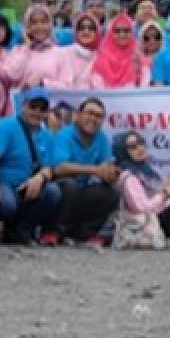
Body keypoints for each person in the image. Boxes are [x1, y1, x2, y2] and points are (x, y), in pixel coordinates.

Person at [0, 87, 61, 244]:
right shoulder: (6, 125)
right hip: (5, 184)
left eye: (42, 108)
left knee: (53, 192)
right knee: (7, 204)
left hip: (28, 187)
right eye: (33, 106)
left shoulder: (46, 135)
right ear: (23, 105)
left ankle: (21, 229)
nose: (37, 112)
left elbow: (48, 167)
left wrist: (40, 177)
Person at [52, 97, 120, 246]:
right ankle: (55, 232)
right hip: (60, 187)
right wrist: (95, 170)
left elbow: (106, 165)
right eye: (90, 113)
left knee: (111, 192)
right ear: (78, 115)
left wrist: (111, 174)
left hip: (82, 189)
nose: (93, 119)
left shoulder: (101, 138)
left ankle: (82, 234)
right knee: (70, 185)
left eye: (98, 116)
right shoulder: (65, 135)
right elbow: (59, 168)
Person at [10, 3, 75, 89]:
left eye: (43, 22)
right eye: (34, 23)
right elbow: (12, 76)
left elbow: (68, 86)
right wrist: (27, 47)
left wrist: (43, 82)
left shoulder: (61, 53)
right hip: (22, 101)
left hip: (50, 102)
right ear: (27, 26)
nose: (39, 26)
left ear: (50, 25)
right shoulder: (18, 51)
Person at [92, 12, 144, 89]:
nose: (122, 34)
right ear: (111, 33)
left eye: (126, 30)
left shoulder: (139, 55)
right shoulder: (101, 57)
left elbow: (144, 85)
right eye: (117, 31)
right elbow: (97, 86)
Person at [138, 20, 163, 85]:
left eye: (156, 37)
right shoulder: (137, 60)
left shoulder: (167, 59)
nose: (152, 40)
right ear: (142, 40)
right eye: (147, 38)